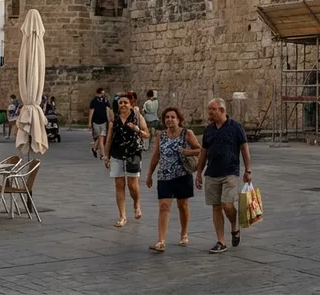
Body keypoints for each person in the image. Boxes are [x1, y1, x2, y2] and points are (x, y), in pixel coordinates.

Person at [195, 98, 252, 254]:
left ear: (222, 109)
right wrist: (199, 172)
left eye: (212, 109)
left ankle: (234, 226)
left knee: (227, 204)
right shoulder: (209, 130)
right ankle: (221, 241)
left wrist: (248, 170)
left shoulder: (236, 127)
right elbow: (204, 152)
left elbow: (244, 149)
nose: (209, 112)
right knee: (216, 206)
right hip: (212, 172)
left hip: (230, 172)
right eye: (209, 109)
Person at [146, 106, 201, 252]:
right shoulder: (161, 135)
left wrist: (187, 151)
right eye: (167, 117)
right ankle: (161, 241)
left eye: (172, 117)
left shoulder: (186, 133)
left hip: (182, 175)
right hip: (164, 175)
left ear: (178, 119)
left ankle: (184, 233)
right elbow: (156, 155)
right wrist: (149, 174)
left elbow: (199, 149)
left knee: (182, 205)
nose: (169, 120)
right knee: (164, 205)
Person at [103, 93, 149, 227]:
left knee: (132, 185)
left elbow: (146, 135)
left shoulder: (137, 117)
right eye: (121, 103)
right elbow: (109, 139)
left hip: (133, 154)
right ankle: (122, 216)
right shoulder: (114, 120)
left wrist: (137, 129)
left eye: (125, 103)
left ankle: (136, 203)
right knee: (119, 185)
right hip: (117, 154)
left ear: (131, 105)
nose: (123, 105)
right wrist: (106, 156)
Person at [89, 87, 112, 159]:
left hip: (103, 122)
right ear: (98, 93)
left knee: (101, 138)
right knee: (100, 138)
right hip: (96, 122)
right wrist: (90, 122)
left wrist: (110, 120)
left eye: (103, 93)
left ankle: (95, 150)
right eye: (101, 93)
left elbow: (108, 110)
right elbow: (91, 112)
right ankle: (102, 154)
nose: (103, 95)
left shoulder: (105, 100)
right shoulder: (94, 101)